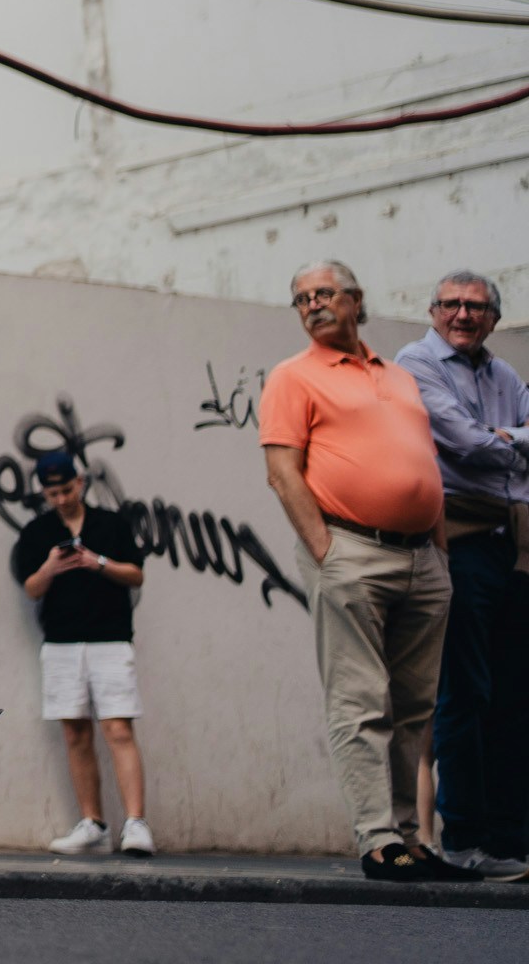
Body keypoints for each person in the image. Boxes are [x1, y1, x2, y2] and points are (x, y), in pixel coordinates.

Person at [261, 260, 453, 882]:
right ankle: (377, 839)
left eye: (324, 293)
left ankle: (409, 838)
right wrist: (327, 552)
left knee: (414, 706)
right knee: (361, 700)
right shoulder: (293, 376)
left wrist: (440, 551)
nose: (313, 304)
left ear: (356, 299)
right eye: (301, 299)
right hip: (352, 552)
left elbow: (425, 464)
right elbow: (282, 471)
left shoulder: (399, 377)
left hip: (422, 558)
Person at [396, 271, 529, 878]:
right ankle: (466, 840)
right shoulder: (416, 362)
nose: (463, 314)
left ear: (494, 318)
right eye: (451, 304)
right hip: (461, 542)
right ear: (433, 311)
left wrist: (505, 436)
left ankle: (509, 841)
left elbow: (486, 442)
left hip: (513, 544)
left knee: (513, 695)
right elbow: (466, 445)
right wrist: (514, 442)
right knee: (465, 694)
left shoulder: (505, 376)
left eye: (476, 306)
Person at [9, 452, 153, 857]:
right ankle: (93, 824)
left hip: (110, 639)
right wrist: (52, 566)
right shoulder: (38, 532)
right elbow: (31, 588)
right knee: (75, 732)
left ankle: (136, 823)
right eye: (52, 493)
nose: (61, 499)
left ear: (81, 483)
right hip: (61, 642)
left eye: (66, 490)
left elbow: (136, 574)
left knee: (118, 728)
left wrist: (96, 561)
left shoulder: (111, 523)